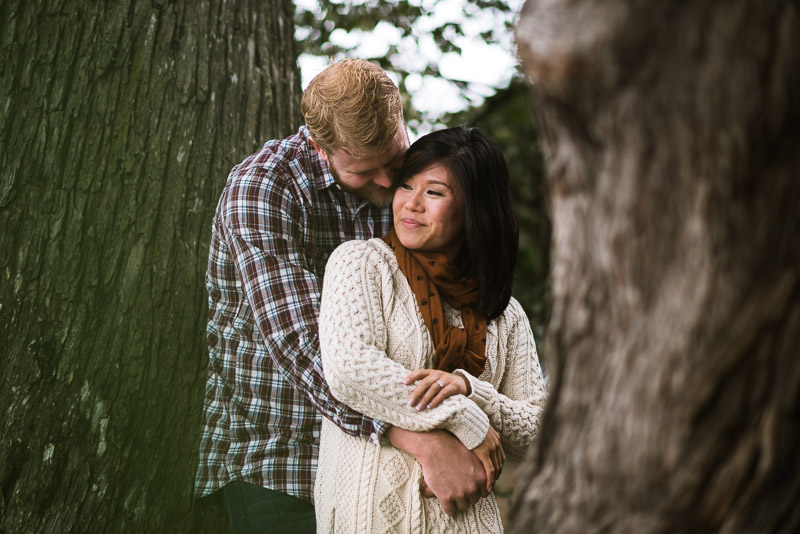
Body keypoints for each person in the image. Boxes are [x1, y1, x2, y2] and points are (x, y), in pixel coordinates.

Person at [195, 59, 489, 533]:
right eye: (364, 171)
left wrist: (470, 408)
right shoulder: (263, 189)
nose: (388, 182)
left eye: (395, 160)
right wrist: (426, 439)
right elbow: (310, 345)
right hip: (283, 463)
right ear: (318, 145)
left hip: (386, 469)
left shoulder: (418, 185)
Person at [316, 126, 548, 532]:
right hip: (372, 517)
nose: (411, 204)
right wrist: (463, 415)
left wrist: (471, 390)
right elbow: (349, 369)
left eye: (435, 192)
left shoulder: (505, 314)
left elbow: (538, 432)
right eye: (406, 185)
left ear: (474, 208)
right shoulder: (361, 264)